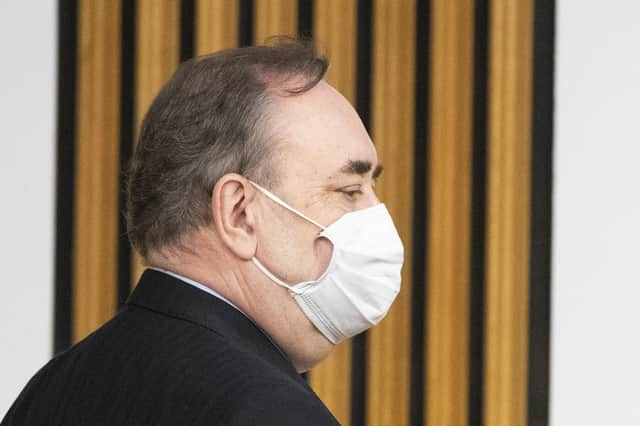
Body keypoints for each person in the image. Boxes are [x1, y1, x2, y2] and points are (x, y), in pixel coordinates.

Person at [1, 38, 404, 426]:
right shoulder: (267, 408)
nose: (377, 215)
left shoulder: (47, 393)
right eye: (349, 191)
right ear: (239, 214)